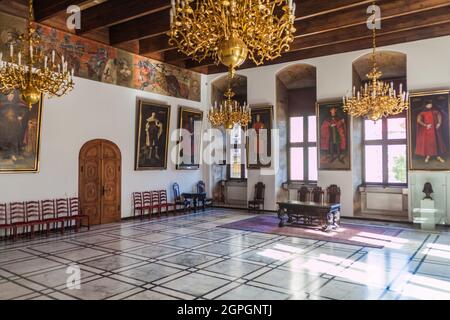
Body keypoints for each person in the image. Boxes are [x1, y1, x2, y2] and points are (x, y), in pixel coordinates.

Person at [0, 91, 29, 162]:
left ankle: (14, 154)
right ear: (6, 96)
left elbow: (23, 108)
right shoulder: (3, 104)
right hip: (4, 124)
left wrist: (20, 116)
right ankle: (7, 154)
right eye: (9, 95)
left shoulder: (16, 104)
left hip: (14, 125)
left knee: (14, 136)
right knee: (5, 136)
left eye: (12, 95)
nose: (10, 96)